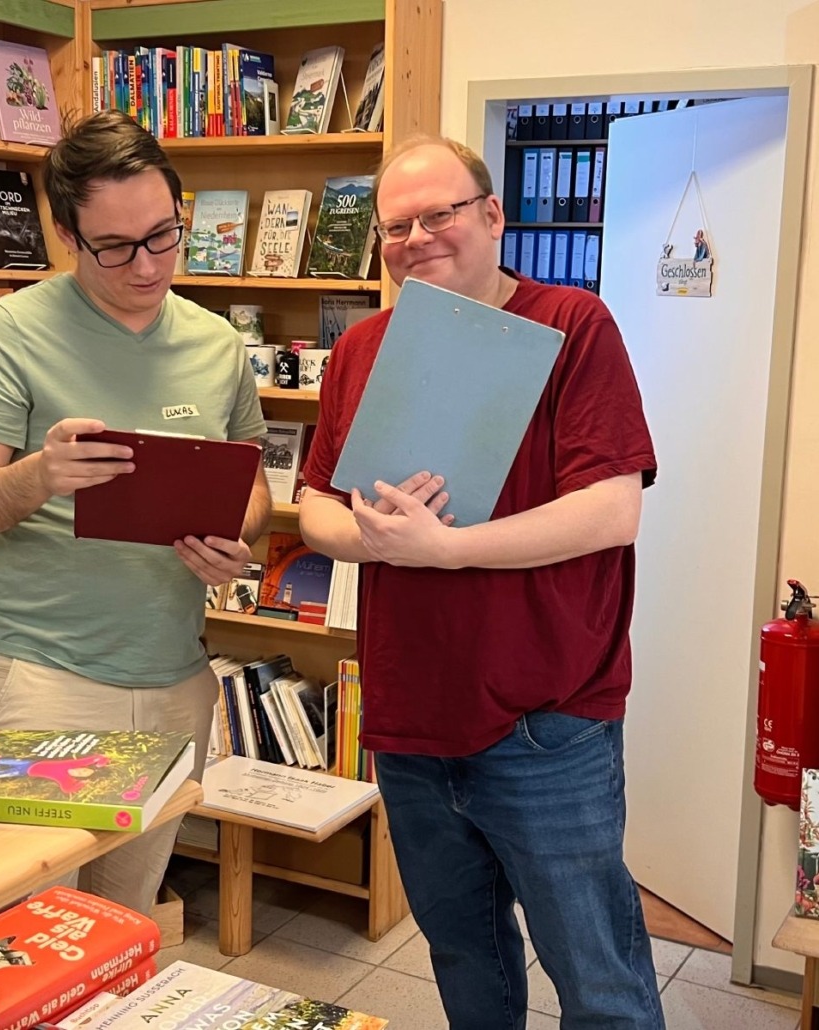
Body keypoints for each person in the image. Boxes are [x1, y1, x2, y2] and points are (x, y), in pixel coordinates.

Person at [299, 136, 662, 1030]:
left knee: (599, 980)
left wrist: (444, 549)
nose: (417, 236)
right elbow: (313, 506)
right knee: (466, 962)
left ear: (491, 216)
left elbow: (611, 511)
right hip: (411, 715)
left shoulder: (572, 326)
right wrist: (376, 539)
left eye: (440, 214)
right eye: (396, 225)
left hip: (547, 721)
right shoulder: (362, 350)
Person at [0, 109, 271, 916]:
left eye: (164, 236)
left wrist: (239, 536)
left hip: (176, 677)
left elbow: (254, 484)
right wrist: (40, 475)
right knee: (28, 932)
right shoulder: (10, 332)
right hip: (45, 678)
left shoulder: (216, 342)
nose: (148, 265)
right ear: (64, 234)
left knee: (121, 928)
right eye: (115, 246)